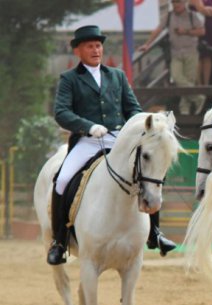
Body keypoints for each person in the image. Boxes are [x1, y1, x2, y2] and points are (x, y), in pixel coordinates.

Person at [50, 26, 176, 265]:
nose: (96, 50)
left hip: (118, 139)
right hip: (88, 140)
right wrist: (87, 126)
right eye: (90, 46)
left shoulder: (117, 76)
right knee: (63, 179)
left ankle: (155, 233)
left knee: (147, 171)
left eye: (98, 45)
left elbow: (133, 109)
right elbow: (61, 113)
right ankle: (59, 240)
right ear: (78, 50)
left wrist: (143, 127)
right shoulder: (69, 79)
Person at [138, 0, 205, 115]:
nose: (176, 5)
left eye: (178, 2)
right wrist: (147, 44)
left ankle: (185, 110)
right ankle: (197, 97)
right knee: (177, 77)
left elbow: (201, 31)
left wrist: (186, 31)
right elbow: (158, 29)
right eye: (174, 3)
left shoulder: (192, 15)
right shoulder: (168, 16)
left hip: (191, 52)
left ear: (184, 3)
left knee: (189, 80)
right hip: (176, 53)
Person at [190, 0, 212, 85]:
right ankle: (199, 85)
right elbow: (202, 10)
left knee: (208, 56)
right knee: (198, 57)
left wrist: (208, 9)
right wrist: (211, 11)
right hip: (198, 28)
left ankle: (206, 84)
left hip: (210, 29)